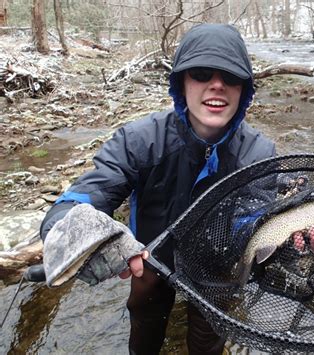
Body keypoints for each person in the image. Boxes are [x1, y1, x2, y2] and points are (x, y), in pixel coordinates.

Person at [39, 23, 276, 354]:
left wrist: (290, 239)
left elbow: (258, 219)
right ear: (181, 83)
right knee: (145, 327)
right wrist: (74, 228)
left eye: (231, 77)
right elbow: (78, 199)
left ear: (244, 89)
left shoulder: (259, 155)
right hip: (149, 259)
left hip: (218, 269)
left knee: (209, 339)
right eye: (202, 73)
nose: (217, 85)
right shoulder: (139, 141)